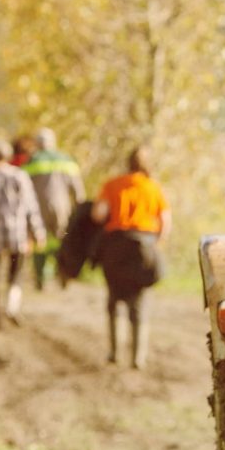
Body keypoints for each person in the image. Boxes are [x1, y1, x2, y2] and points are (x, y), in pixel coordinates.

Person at [92, 147, 170, 369]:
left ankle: (114, 353)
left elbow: (98, 214)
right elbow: (165, 222)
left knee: (114, 297)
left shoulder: (112, 184)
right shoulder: (153, 187)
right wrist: (156, 245)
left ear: (128, 163)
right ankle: (138, 357)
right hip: (144, 247)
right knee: (140, 300)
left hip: (115, 246)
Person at [0, 142, 46, 328]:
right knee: (16, 272)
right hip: (17, 234)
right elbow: (31, 207)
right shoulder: (20, 177)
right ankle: (12, 305)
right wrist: (38, 232)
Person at [23, 127, 85, 289]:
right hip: (62, 209)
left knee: (39, 240)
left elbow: (22, 185)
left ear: (38, 143)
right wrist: (80, 210)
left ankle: (40, 277)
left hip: (38, 208)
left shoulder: (33, 160)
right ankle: (62, 273)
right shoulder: (67, 160)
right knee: (62, 240)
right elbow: (78, 190)